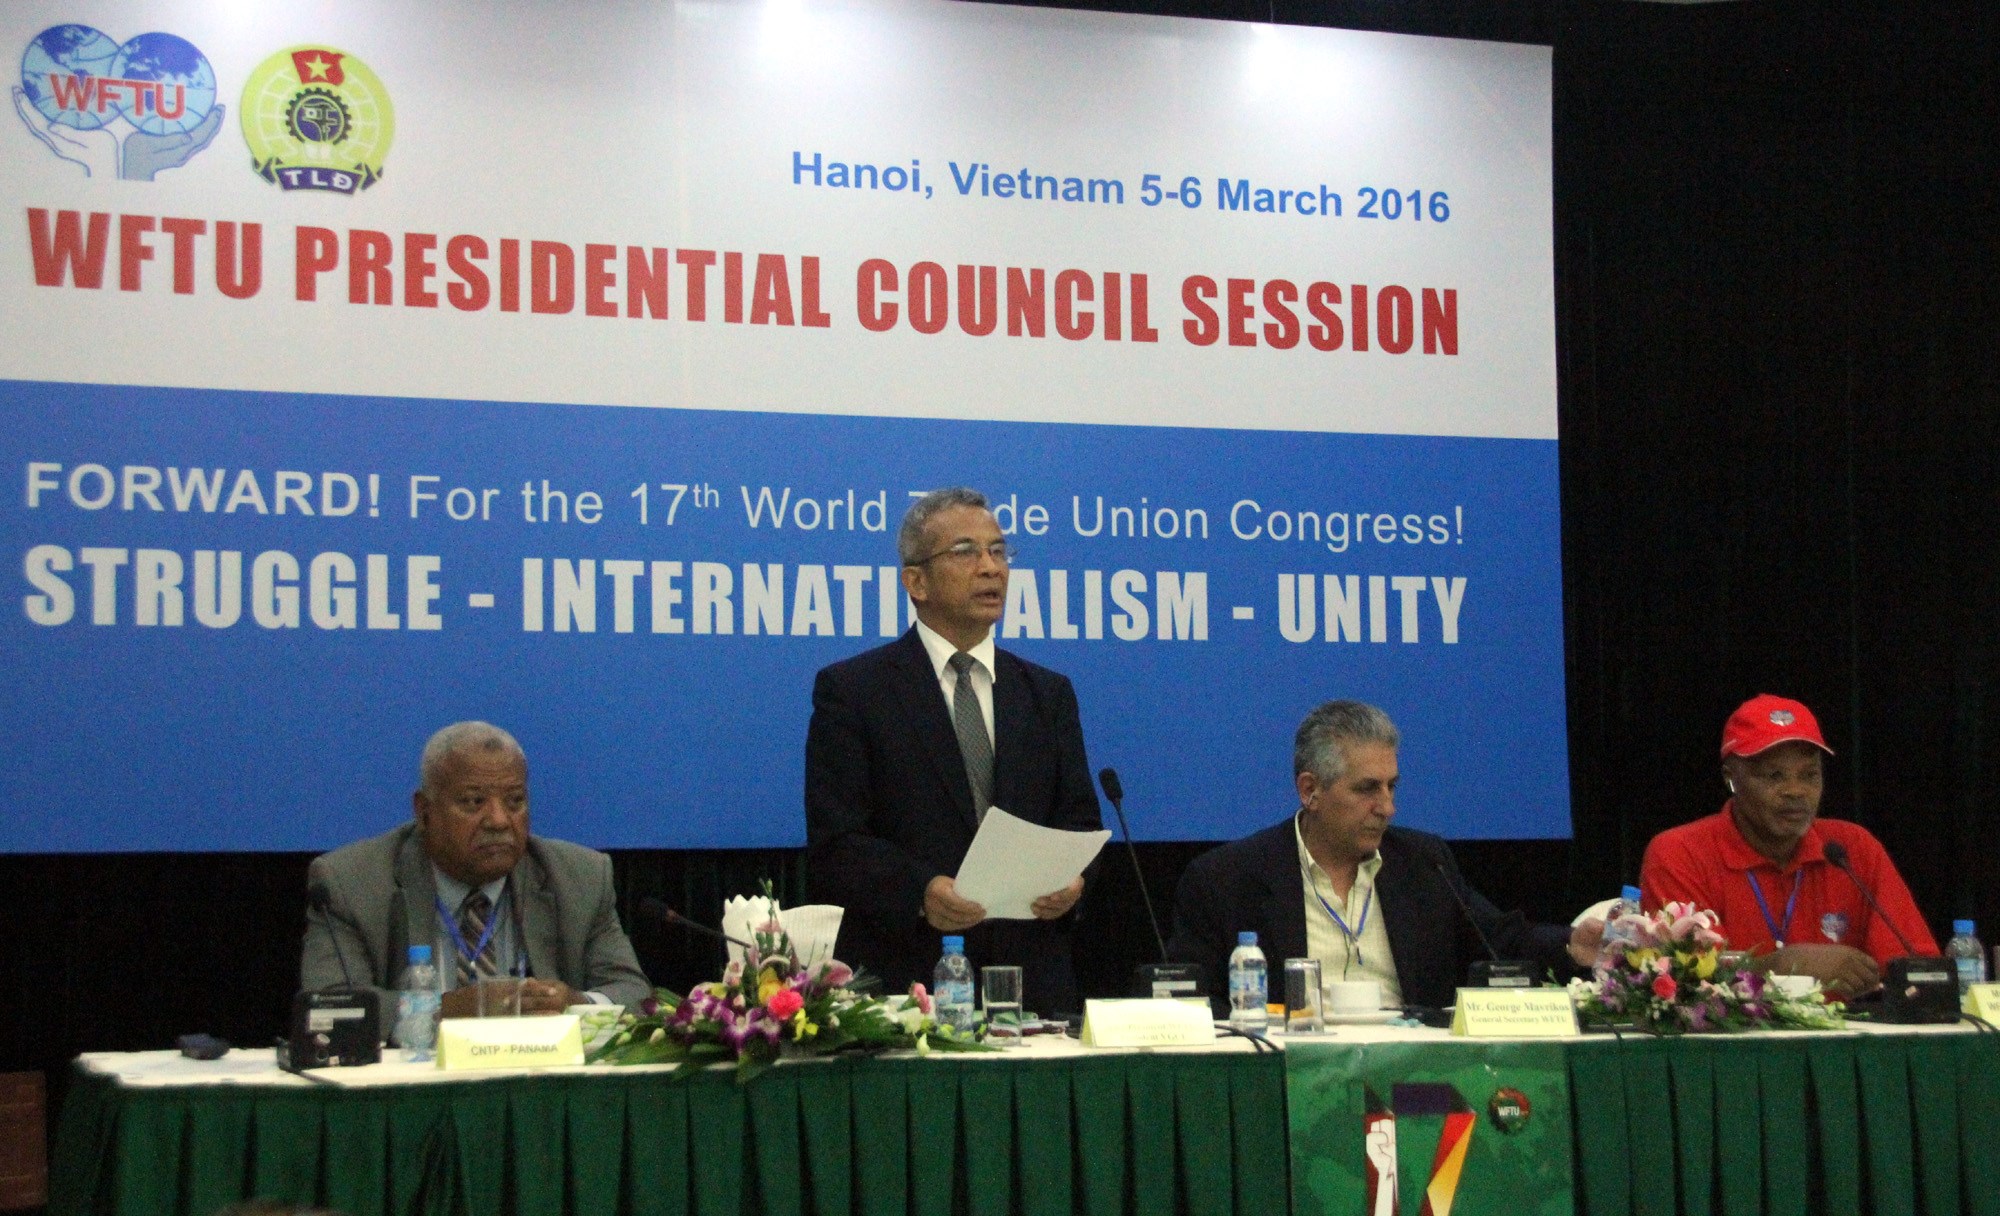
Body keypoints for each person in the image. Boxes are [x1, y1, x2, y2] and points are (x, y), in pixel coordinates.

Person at [805, 487, 1102, 1014]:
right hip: (911, 980)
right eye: (966, 551)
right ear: (915, 582)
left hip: (1035, 980)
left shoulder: (1047, 693)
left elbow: (1080, 823)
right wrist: (921, 891)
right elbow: (838, 842)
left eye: (999, 551)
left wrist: (1075, 883)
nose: (991, 568)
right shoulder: (855, 691)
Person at [1166, 700, 1600, 1014]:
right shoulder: (1227, 879)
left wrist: (1574, 944)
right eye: (1367, 789)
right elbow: (1194, 1006)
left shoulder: (1424, 863)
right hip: (1288, 1074)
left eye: (1392, 786)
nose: (1387, 807)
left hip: (1413, 1072)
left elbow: (1502, 942)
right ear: (1310, 790)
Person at [299, 721, 649, 1025]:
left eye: (515, 801)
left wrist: (577, 1004)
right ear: (424, 811)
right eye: (473, 802)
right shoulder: (351, 883)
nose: (499, 820)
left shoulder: (581, 878)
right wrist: (444, 1010)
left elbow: (635, 995)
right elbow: (330, 1006)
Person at [1640, 694, 1935, 995]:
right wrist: (1781, 966)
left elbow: (1920, 969)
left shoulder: (1852, 848)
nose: (1796, 791)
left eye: (1809, 775)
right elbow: (1683, 984)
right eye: (1775, 775)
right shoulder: (1679, 853)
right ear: (1731, 778)